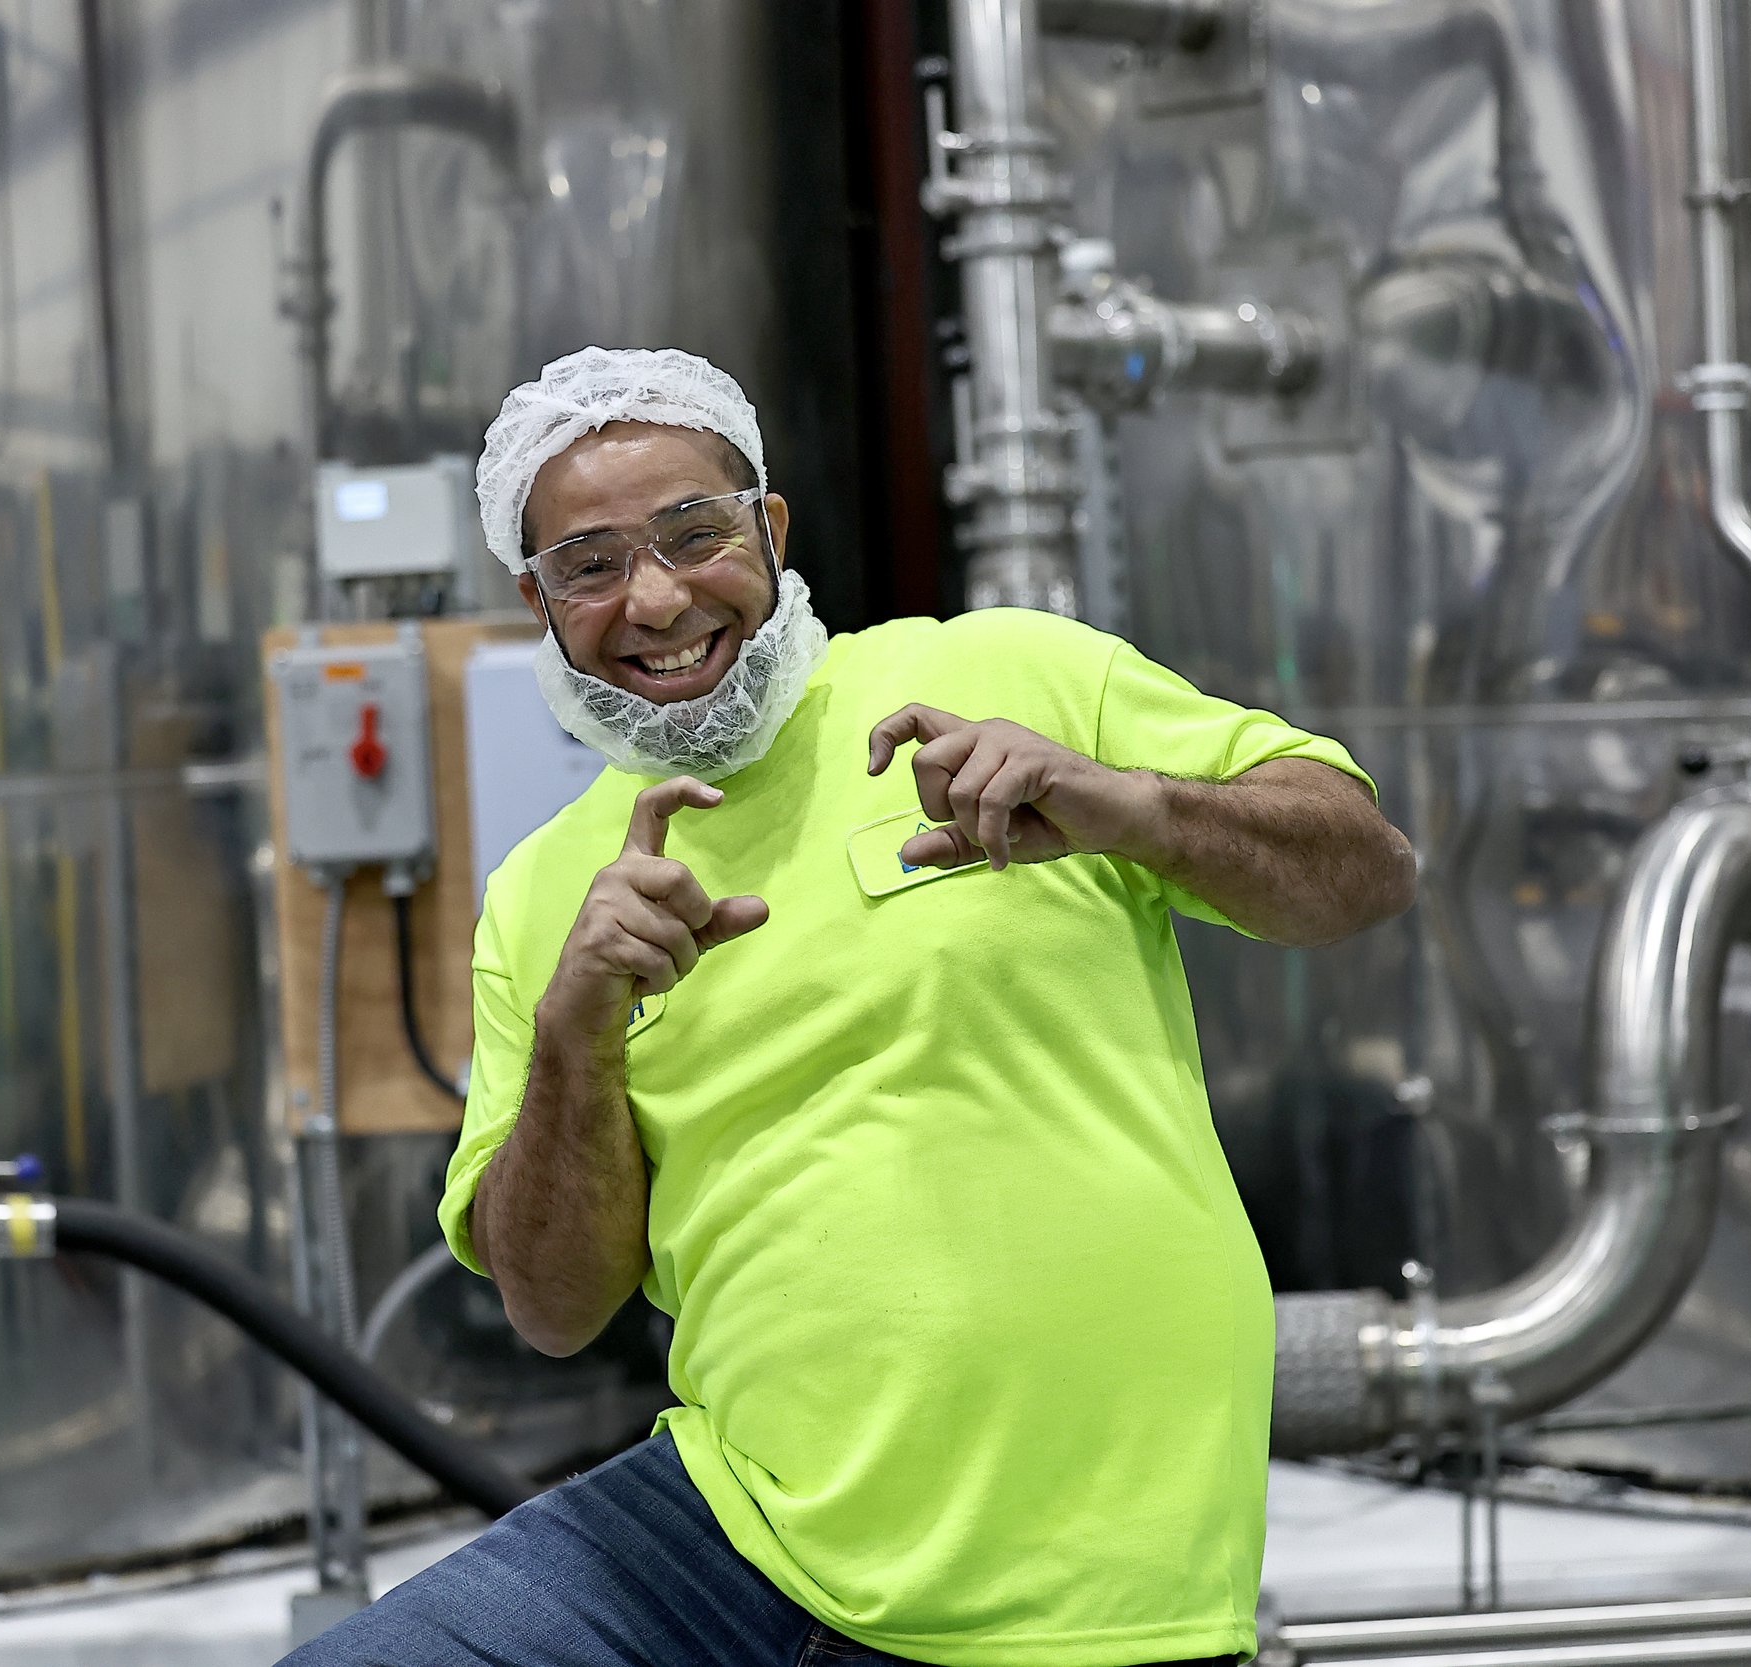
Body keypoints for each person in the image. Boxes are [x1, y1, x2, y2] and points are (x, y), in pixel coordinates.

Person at [285, 347, 1417, 1667]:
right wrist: (575, 1036)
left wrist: (1129, 806)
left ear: (768, 528)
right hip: (724, 1533)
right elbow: (552, 1306)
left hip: (1077, 1580)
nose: (653, 598)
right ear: (536, 599)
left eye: (693, 532)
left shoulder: (1010, 673)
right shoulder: (547, 896)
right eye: (589, 565)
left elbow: (1364, 873)